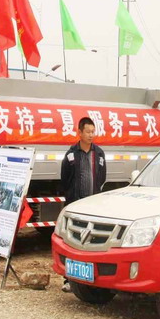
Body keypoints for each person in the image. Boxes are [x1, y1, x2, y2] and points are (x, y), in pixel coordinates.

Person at [60, 116, 107, 292]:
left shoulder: (99, 153)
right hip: (75, 206)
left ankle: (92, 281)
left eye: (93, 132)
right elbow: (65, 179)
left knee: (92, 242)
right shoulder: (71, 154)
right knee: (72, 242)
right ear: (79, 132)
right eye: (87, 132)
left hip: (93, 207)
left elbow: (102, 177)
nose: (91, 135)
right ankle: (68, 280)